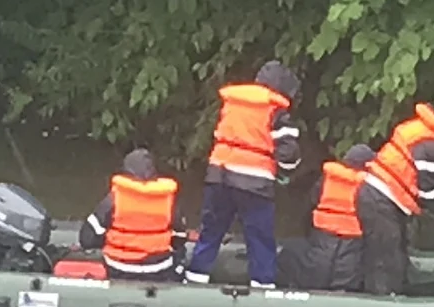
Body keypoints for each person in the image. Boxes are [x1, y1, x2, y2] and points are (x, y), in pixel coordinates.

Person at [183, 60, 302, 289]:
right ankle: (263, 285)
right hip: (254, 181)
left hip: (218, 174)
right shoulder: (275, 110)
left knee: (211, 231)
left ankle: (195, 278)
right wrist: (285, 173)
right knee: (259, 236)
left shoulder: (233, 103)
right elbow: (287, 153)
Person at [357, 103, 434, 295]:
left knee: (397, 257)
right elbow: (429, 191)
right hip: (381, 199)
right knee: (386, 261)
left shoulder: (427, 135)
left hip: (384, 199)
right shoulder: (432, 145)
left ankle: (393, 297)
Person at [277, 143, 375, 292]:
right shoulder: (370, 189)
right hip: (351, 264)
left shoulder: (326, 181)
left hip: (319, 255)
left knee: (290, 249)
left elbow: (307, 211)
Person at [79, 148, 186, 281]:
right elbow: (180, 238)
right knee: (180, 255)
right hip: (158, 268)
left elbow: (87, 238)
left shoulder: (113, 200)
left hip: (119, 268)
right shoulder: (169, 201)